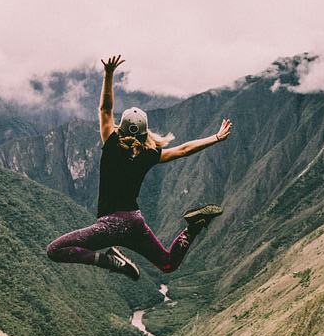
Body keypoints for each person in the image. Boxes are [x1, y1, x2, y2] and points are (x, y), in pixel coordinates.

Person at [46, 55, 233, 280]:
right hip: (135, 223)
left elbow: (105, 109)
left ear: (120, 128)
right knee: (168, 264)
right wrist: (215, 137)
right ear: (145, 132)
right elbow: (183, 149)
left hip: (109, 226)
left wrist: (108, 74)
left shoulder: (112, 143)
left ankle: (110, 261)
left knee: (54, 250)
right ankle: (193, 227)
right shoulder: (149, 154)